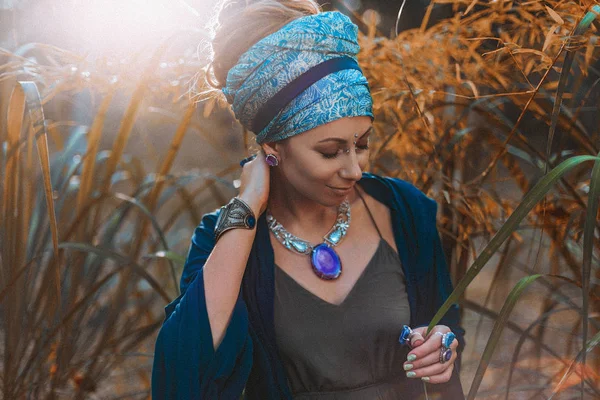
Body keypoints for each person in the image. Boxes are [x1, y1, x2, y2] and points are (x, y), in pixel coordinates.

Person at [152, 1, 465, 399]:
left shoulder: (404, 212)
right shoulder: (228, 239)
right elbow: (184, 375)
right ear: (272, 148)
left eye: (362, 144)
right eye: (331, 151)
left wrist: (441, 345)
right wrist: (247, 206)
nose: (354, 169)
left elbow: (445, 326)